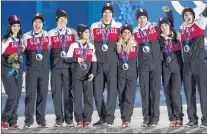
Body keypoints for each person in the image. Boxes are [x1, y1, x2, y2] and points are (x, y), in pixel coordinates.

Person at [90, 3, 122, 127]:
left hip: (112, 63)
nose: (107, 14)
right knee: (97, 92)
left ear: (112, 13)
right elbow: (90, 43)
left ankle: (110, 118)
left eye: (109, 12)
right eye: (105, 12)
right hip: (98, 63)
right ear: (102, 14)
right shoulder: (94, 26)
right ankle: (102, 117)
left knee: (112, 93)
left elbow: (124, 41)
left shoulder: (118, 26)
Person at [48, 9, 78, 127]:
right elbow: (46, 50)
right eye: (61, 19)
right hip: (55, 67)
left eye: (65, 19)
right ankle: (59, 119)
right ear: (56, 20)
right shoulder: (50, 33)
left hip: (68, 67)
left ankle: (69, 118)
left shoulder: (72, 32)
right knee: (56, 94)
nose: (63, 21)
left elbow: (77, 48)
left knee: (68, 94)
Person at [178, 7, 207, 128]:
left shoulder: (200, 23)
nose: (187, 16)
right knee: (189, 93)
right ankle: (192, 119)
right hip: (187, 64)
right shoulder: (182, 29)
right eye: (185, 15)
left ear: (194, 16)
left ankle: (205, 119)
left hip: (199, 62)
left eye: (190, 14)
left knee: (203, 92)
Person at [133, 8, 162, 127]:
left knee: (154, 92)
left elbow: (167, 32)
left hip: (155, 63)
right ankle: (146, 117)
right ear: (137, 19)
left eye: (144, 17)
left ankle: (155, 117)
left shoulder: (155, 27)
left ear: (147, 18)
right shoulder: (135, 31)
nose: (142, 19)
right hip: (143, 65)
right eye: (139, 18)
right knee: (145, 92)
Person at [65, 24, 97, 127]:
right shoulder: (74, 45)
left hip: (88, 76)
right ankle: (79, 120)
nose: (88, 34)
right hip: (77, 76)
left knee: (88, 98)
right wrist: (76, 59)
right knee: (77, 98)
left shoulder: (91, 46)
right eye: (86, 32)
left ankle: (87, 119)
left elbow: (94, 61)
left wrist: (93, 73)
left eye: (89, 32)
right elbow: (66, 59)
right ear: (80, 33)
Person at [159, 6, 184, 127]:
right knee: (167, 93)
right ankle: (172, 118)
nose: (164, 27)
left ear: (169, 25)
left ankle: (179, 117)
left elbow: (171, 23)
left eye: (166, 25)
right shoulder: (160, 40)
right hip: (165, 68)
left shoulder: (176, 36)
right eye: (162, 26)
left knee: (175, 93)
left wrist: (169, 12)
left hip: (177, 67)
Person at [23, 13, 49, 128]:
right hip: (32, 69)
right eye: (35, 22)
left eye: (40, 22)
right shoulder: (26, 36)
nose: (37, 24)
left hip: (44, 69)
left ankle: (41, 119)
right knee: (30, 94)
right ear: (32, 23)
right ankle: (28, 120)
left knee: (43, 95)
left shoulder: (47, 35)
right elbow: (22, 51)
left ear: (43, 24)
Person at [1, 15, 24, 129]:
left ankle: (13, 120)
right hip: (7, 70)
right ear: (10, 26)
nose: (16, 28)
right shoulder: (5, 40)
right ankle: (4, 118)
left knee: (18, 94)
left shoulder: (21, 39)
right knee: (13, 94)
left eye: (18, 26)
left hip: (18, 70)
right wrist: (8, 61)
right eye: (14, 26)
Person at [116, 24, 138, 127]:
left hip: (132, 74)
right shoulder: (117, 45)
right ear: (121, 34)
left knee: (129, 97)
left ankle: (127, 119)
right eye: (125, 32)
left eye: (129, 32)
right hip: (120, 74)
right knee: (121, 97)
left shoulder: (135, 44)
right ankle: (123, 117)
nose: (127, 34)